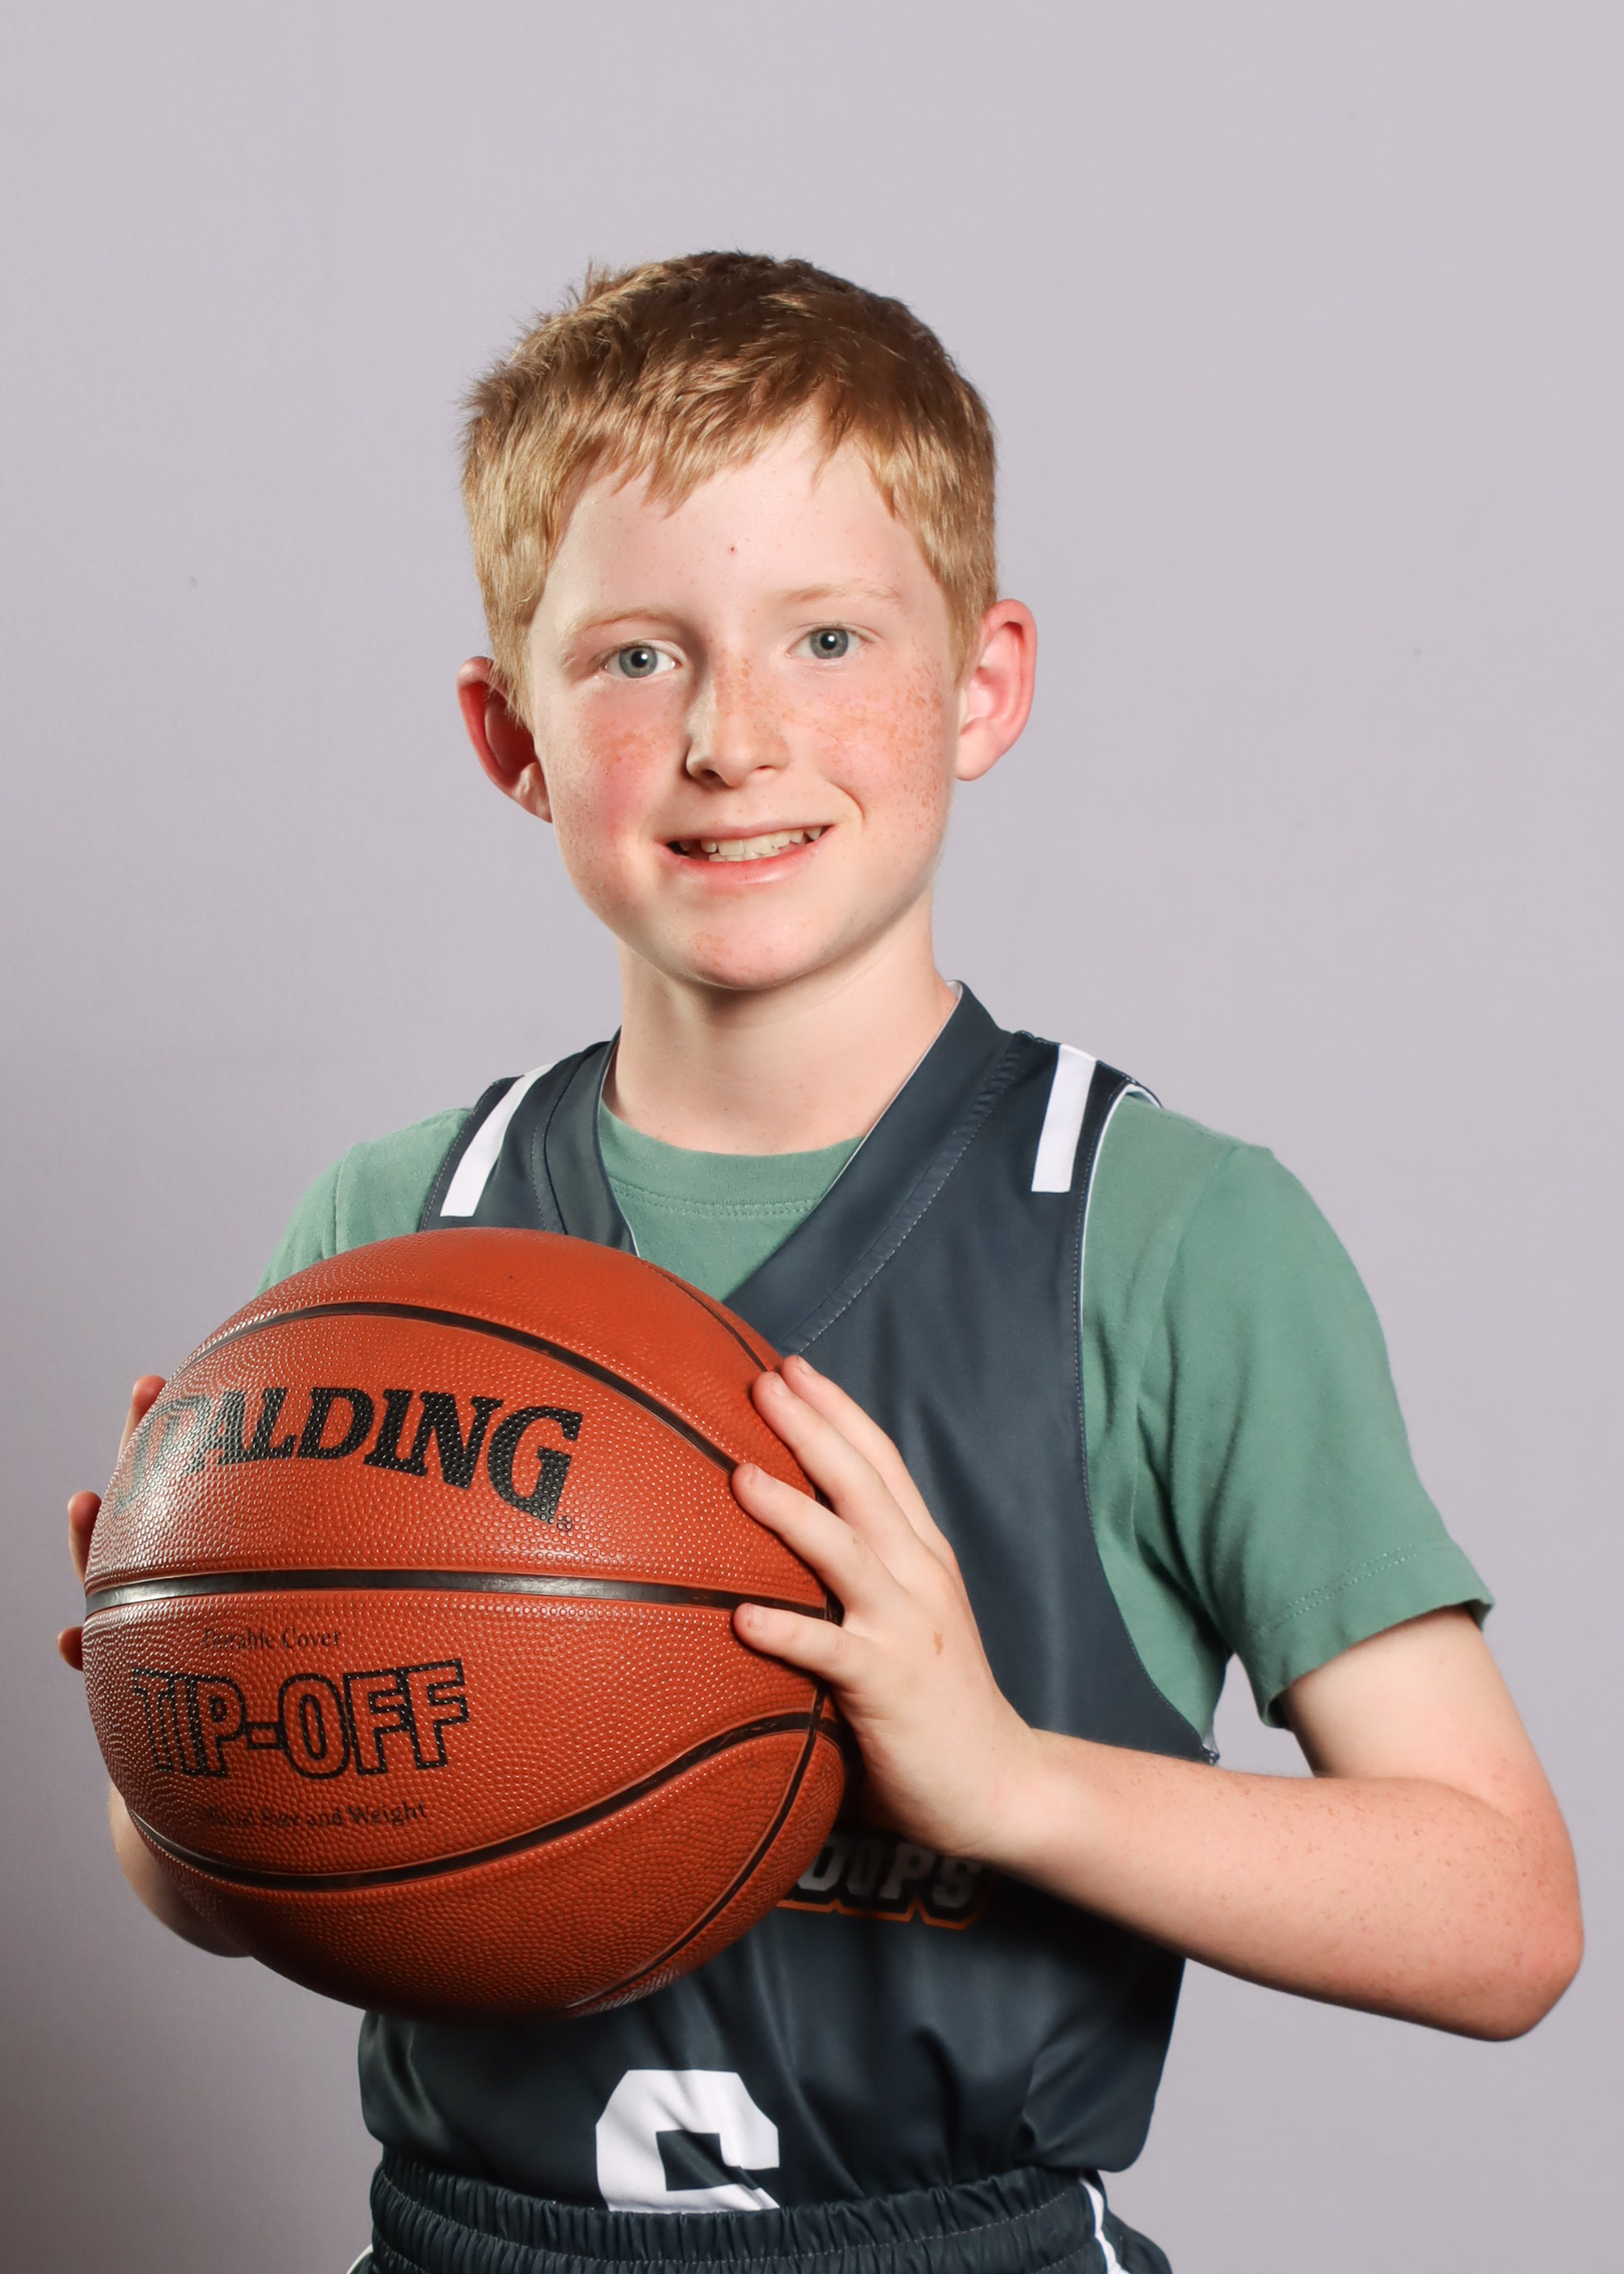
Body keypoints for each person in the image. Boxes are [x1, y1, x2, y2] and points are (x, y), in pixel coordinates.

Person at [62, 253, 1582, 2274]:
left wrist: (1009, 1780)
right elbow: (206, 1890)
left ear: (982, 686)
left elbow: (1501, 1915)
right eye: (633, 657)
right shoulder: (398, 1227)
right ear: (510, 732)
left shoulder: (1164, 1236)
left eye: (829, 635)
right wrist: (189, 1712)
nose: (731, 734)